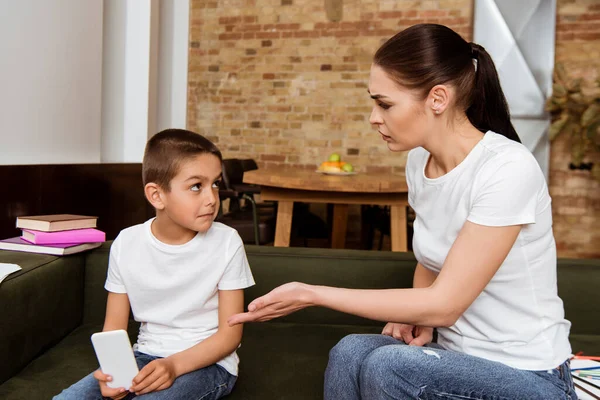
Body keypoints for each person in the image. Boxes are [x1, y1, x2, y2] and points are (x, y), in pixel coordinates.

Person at [228, 24, 576, 400]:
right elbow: (432, 260)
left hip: (530, 375)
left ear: (437, 99)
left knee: (389, 366)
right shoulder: (419, 163)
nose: (374, 117)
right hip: (453, 358)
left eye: (385, 103)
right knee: (351, 352)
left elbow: (443, 306)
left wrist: (312, 293)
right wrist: (413, 313)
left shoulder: (507, 168)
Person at [55, 129, 255, 400]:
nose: (211, 198)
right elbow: (114, 326)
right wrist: (113, 372)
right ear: (157, 195)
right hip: (144, 356)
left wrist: (174, 366)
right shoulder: (126, 243)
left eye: (215, 184)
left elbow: (229, 337)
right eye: (197, 186)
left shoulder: (227, 242)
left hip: (208, 365)